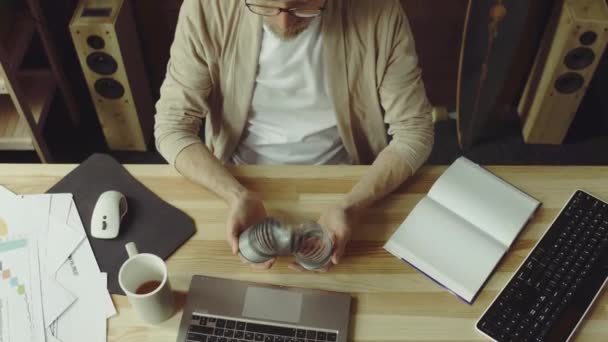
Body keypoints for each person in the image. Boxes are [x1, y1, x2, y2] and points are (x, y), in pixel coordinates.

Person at [154, 0, 434, 271]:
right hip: (237, 177)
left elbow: (413, 131)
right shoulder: (206, 7)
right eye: (266, 5)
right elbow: (172, 125)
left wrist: (352, 205)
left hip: (347, 182)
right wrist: (234, 195)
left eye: (303, 5)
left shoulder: (380, 11)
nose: (284, 20)